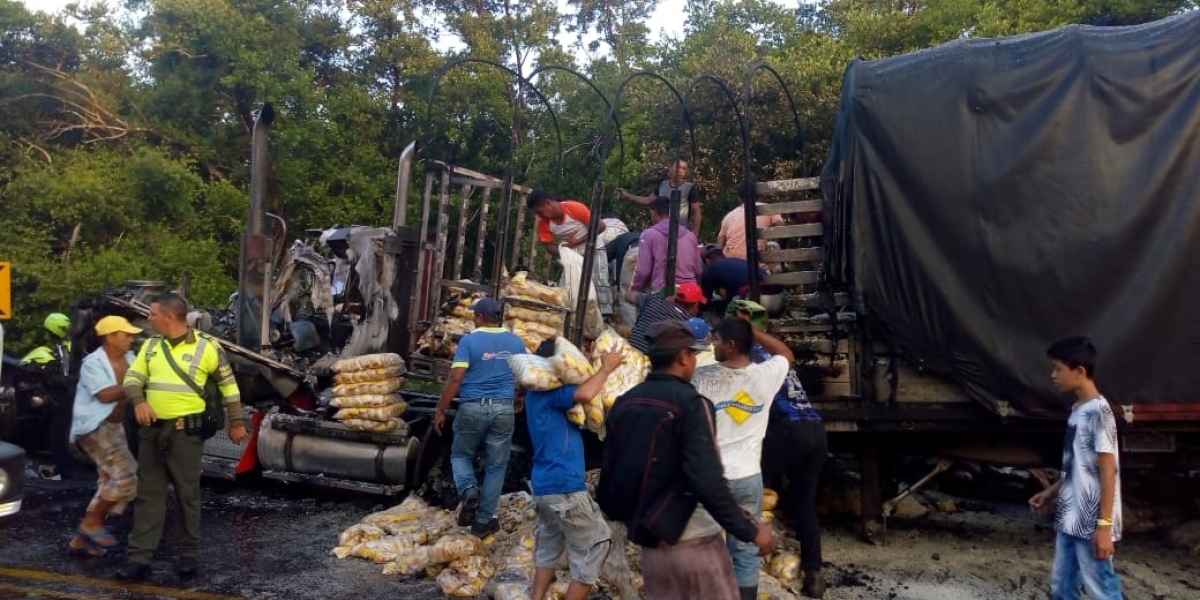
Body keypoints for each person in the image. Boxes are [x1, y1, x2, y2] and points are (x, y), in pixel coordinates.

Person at [596, 320, 773, 600]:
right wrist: (750, 530)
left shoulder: (624, 402)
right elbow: (708, 480)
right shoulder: (692, 404)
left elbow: (609, 477)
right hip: (695, 545)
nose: (694, 360)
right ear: (682, 358)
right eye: (692, 354)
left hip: (652, 550)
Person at [119, 293, 247, 581]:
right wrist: (139, 400)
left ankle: (187, 555)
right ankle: (139, 558)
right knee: (148, 496)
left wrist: (236, 422)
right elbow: (132, 378)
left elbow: (229, 386)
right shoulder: (151, 346)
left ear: (170, 317)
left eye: (152, 314)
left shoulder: (207, 348)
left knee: (187, 495)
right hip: (152, 433)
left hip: (185, 434)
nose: (148, 319)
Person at [692, 317, 793, 600]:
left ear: (731, 345)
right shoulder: (765, 375)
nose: (713, 344)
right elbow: (785, 354)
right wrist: (755, 331)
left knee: (701, 547)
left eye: (718, 340)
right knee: (745, 550)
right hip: (748, 478)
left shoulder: (702, 378)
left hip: (711, 480)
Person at [1028, 336, 1123, 600]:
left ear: (1079, 371)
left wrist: (1103, 527)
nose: (1053, 375)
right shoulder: (1078, 409)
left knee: (1101, 589)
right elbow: (1078, 467)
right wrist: (1051, 492)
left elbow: (1108, 472)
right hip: (1070, 517)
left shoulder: (1099, 414)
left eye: (1058, 368)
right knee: (1061, 588)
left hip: (1091, 521)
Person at [524, 349, 624, 600]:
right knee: (596, 543)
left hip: (544, 486)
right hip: (564, 486)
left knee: (549, 546)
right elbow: (587, 392)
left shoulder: (533, 396)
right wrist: (606, 368)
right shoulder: (553, 394)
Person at [433, 298, 527, 537]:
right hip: (504, 410)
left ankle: (468, 489)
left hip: (473, 408)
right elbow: (526, 376)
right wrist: (519, 397)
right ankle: (483, 521)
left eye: (475, 315)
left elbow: (455, 378)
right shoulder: (516, 343)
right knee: (497, 467)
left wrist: (441, 409)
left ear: (481, 318)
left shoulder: (469, 341)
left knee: (461, 454)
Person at [67, 316, 142, 557]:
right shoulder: (93, 363)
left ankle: (81, 538)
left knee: (109, 482)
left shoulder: (130, 359)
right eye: (126, 334)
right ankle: (91, 524)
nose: (131, 339)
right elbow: (106, 395)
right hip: (94, 427)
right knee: (126, 479)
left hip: (114, 427)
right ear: (110, 337)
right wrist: (137, 383)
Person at [527, 189, 613, 316]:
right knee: (565, 287)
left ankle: (606, 316)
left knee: (601, 282)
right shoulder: (543, 224)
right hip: (572, 256)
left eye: (540, 212)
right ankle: (564, 317)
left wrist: (576, 242)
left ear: (548, 203)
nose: (540, 216)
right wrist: (566, 248)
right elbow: (550, 249)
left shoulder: (574, 208)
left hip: (595, 250)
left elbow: (600, 227)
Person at [630, 197, 702, 298]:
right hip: (690, 292)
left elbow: (643, 272)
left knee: (636, 300)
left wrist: (634, 289)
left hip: (663, 291)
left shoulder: (649, 235)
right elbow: (698, 270)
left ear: (655, 212)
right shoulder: (690, 236)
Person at [617, 157, 701, 232]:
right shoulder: (663, 185)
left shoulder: (689, 188)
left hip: (679, 232)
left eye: (684, 169)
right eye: (678, 167)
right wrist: (627, 195)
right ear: (670, 167)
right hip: (661, 231)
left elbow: (696, 211)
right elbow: (648, 200)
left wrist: (694, 234)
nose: (681, 171)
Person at [625, 282, 707, 355]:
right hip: (651, 364)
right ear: (696, 305)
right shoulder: (687, 324)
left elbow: (628, 295)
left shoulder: (654, 302)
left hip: (628, 352)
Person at [717, 184, 785, 261]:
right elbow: (782, 230)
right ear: (757, 196)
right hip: (756, 264)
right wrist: (776, 250)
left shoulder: (728, 216)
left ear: (739, 199)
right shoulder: (768, 209)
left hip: (730, 264)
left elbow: (719, 246)